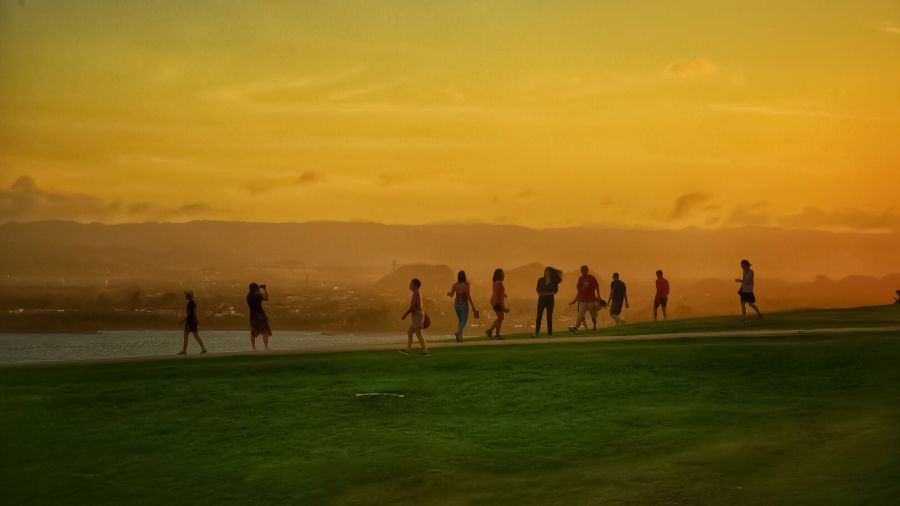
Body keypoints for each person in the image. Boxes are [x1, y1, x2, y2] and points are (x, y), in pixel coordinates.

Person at [568, 265, 602, 333]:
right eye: (581, 270)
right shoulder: (580, 279)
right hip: (582, 301)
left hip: (591, 300)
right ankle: (576, 328)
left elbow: (597, 287)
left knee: (593, 316)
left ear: (587, 270)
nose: (582, 271)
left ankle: (595, 326)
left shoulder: (592, 278)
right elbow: (579, 291)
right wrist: (574, 301)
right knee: (580, 314)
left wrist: (598, 298)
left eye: (583, 270)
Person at [400, 278, 429, 355]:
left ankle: (425, 351)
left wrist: (405, 315)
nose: (410, 285)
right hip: (417, 316)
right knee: (409, 332)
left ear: (415, 286)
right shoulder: (417, 293)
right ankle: (408, 350)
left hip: (417, 316)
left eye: (411, 284)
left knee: (418, 334)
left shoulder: (416, 294)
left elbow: (413, 307)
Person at [448, 270, 478, 342]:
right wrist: (473, 306)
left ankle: (460, 338)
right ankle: (458, 333)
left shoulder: (455, 285)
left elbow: (451, 295)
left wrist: (448, 293)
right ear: (464, 276)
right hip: (464, 304)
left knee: (460, 321)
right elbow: (468, 296)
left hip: (457, 304)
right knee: (463, 321)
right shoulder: (467, 285)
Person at [177, 291, 207, 355]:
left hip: (190, 322)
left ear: (189, 296)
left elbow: (189, 314)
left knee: (186, 336)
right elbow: (195, 313)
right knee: (196, 335)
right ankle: (203, 348)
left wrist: (182, 321)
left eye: (187, 295)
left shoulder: (191, 303)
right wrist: (198, 321)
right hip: (193, 322)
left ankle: (184, 351)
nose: (185, 296)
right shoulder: (192, 303)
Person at [535, 267, 562, 337]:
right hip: (541, 299)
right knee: (539, 316)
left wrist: (547, 294)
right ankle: (536, 333)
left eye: (547, 271)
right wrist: (540, 293)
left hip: (550, 300)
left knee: (549, 317)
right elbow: (537, 289)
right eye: (545, 271)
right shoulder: (540, 280)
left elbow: (555, 291)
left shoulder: (553, 281)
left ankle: (550, 333)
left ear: (550, 272)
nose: (545, 272)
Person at [247, 282, 272, 351]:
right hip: (260, 315)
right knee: (265, 331)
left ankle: (254, 348)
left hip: (252, 316)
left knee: (253, 333)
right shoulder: (257, 295)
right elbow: (266, 298)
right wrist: (264, 289)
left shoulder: (248, 296)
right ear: (256, 288)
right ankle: (266, 347)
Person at [486, 268, 509, 339]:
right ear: (500, 275)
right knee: (501, 317)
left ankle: (490, 331)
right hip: (497, 303)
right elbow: (499, 298)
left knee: (500, 318)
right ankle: (497, 334)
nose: (504, 275)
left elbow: (496, 293)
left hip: (494, 302)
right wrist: (503, 308)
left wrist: (503, 294)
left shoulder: (495, 282)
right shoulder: (499, 283)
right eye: (503, 274)